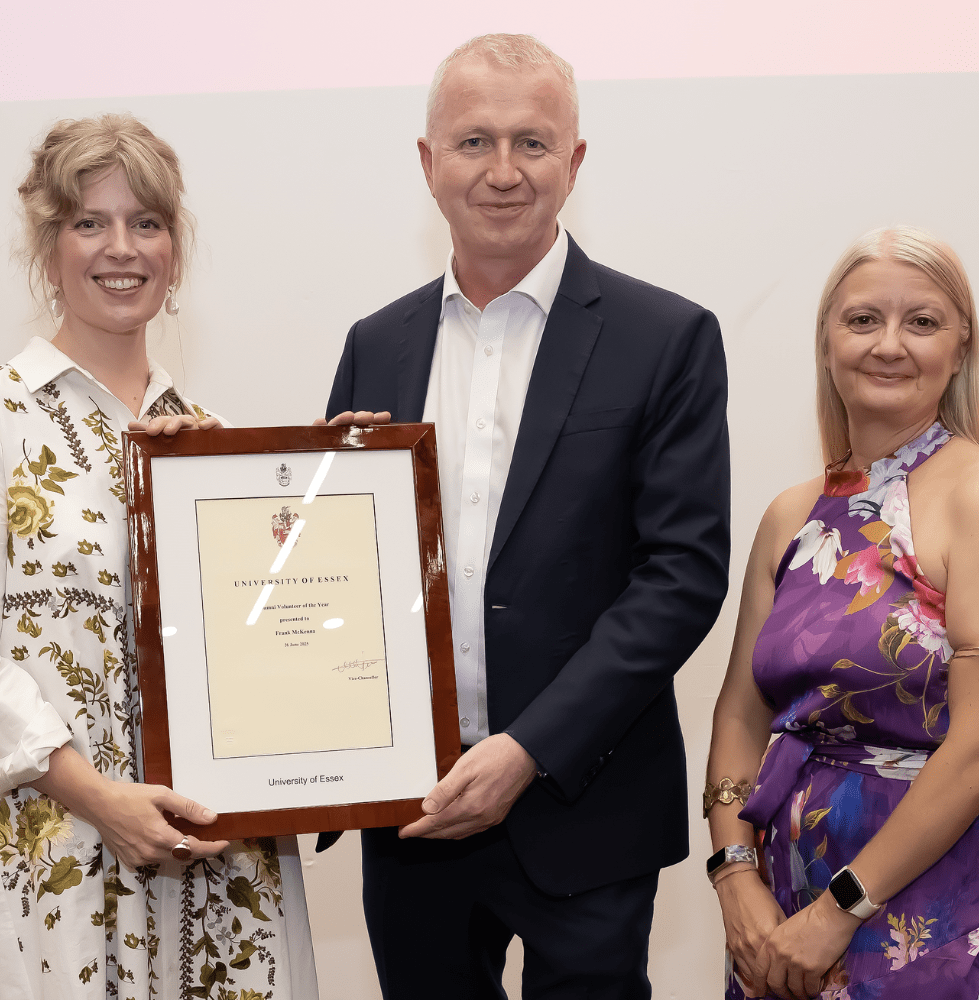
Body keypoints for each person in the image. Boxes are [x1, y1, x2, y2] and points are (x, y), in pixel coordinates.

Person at [326, 33, 731, 998]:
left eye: (532, 143)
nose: (503, 171)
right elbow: (337, 577)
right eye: (473, 142)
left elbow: (680, 576)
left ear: (575, 162)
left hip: (583, 808)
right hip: (413, 814)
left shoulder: (666, 338)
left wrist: (528, 749)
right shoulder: (374, 345)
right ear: (428, 165)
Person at [0, 115, 317, 999]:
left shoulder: (223, 443)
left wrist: (353, 486)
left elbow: (286, 642)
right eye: (89, 223)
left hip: (221, 855)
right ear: (47, 248)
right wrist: (103, 801)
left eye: (147, 222)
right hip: (59, 848)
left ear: (175, 249)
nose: (120, 249)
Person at [706, 226, 979, 999]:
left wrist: (842, 908)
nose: (889, 344)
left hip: (931, 899)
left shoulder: (973, 496)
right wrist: (734, 877)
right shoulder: (791, 515)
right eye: (862, 320)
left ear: (960, 349)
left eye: (922, 322)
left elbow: (977, 746)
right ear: (826, 344)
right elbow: (738, 718)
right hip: (779, 903)